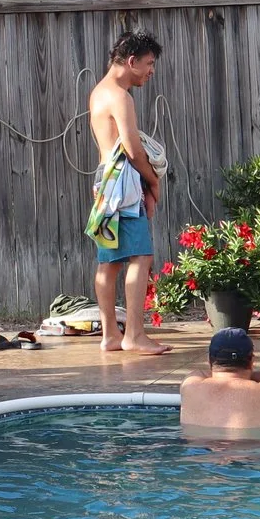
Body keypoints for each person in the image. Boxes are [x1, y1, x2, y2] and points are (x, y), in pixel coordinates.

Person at [87, 31, 169, 356]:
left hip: (104, 183)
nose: (151, 71)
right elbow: (133, 151)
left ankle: (110, 335)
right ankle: (134, 335)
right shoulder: (121, 97)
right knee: (141, 257)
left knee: (109, 262)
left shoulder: (98, 92)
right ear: (132, 61)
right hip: (123, 183)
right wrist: (154, 181)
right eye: (149, 64)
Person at [179, 328, 260, 437]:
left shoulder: (191, 386)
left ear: (209, 361)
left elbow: (199, 373)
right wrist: (249, 377)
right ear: (252, 361)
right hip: (255, 459)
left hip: (203, 458)